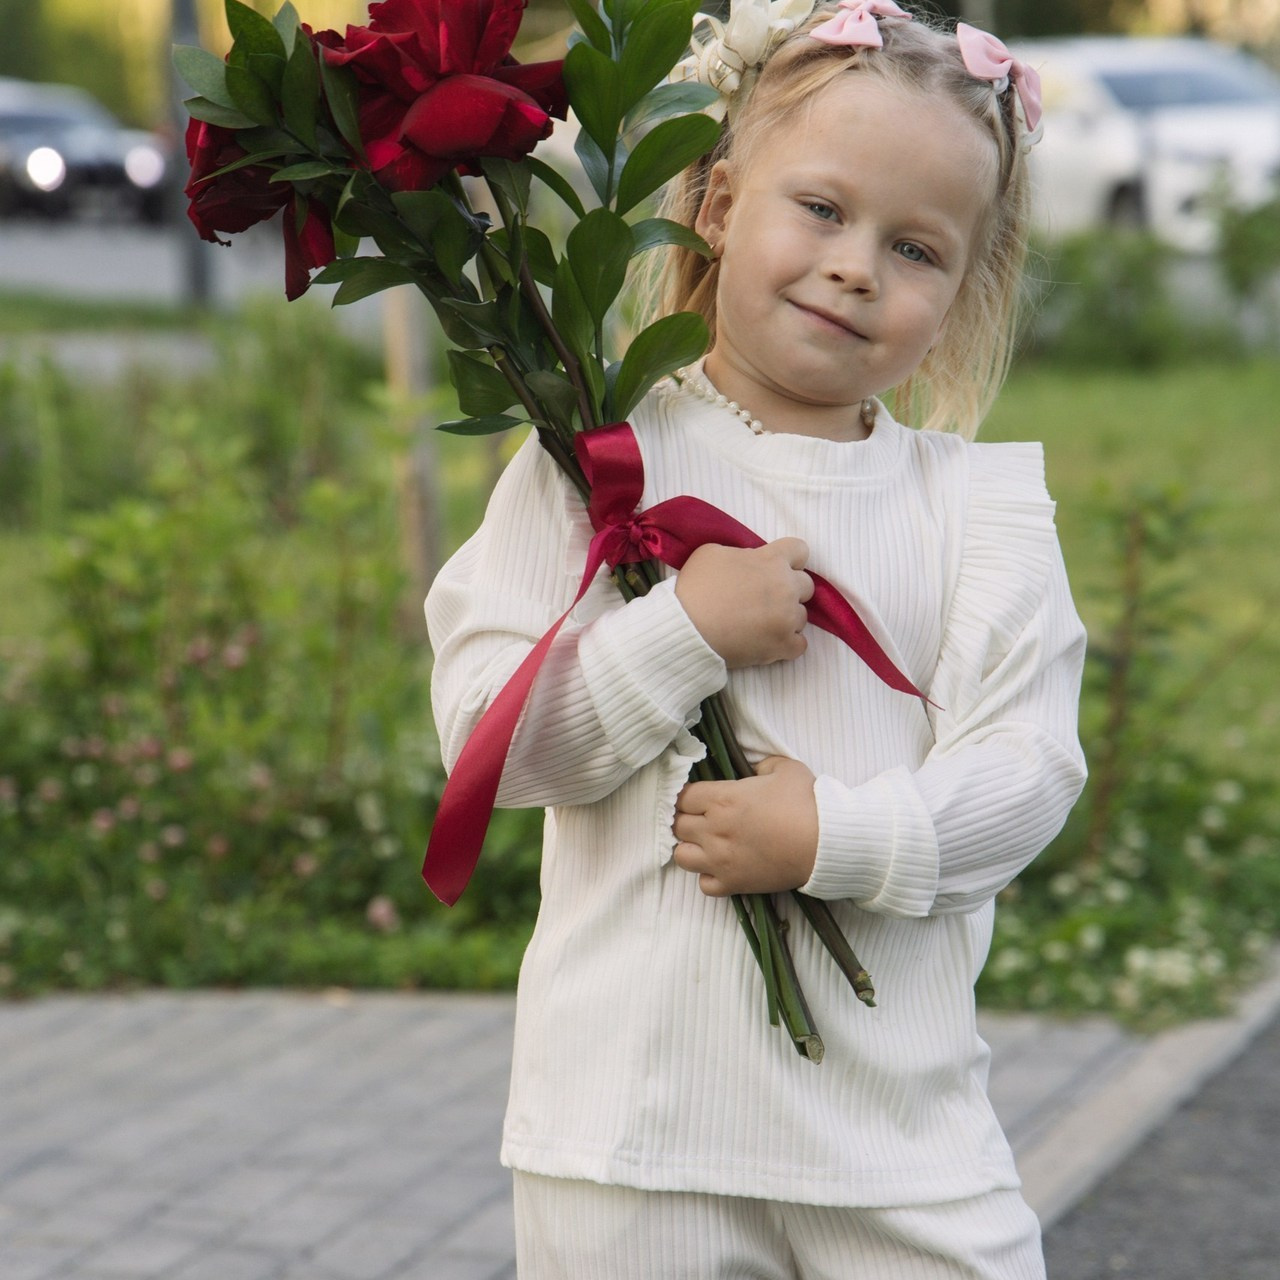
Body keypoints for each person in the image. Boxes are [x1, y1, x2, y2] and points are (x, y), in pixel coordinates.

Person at [426, 3, 1086, 1276]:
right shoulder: (597, 456)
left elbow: (1026, 772)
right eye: (822, 210)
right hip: (634, 1136)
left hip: (897, 1145)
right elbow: (487, 749)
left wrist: (833, 837)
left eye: (914, 248)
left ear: (956, 299)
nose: (855, 268)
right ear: (717, 202)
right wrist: (680, 629)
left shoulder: (975, 509)